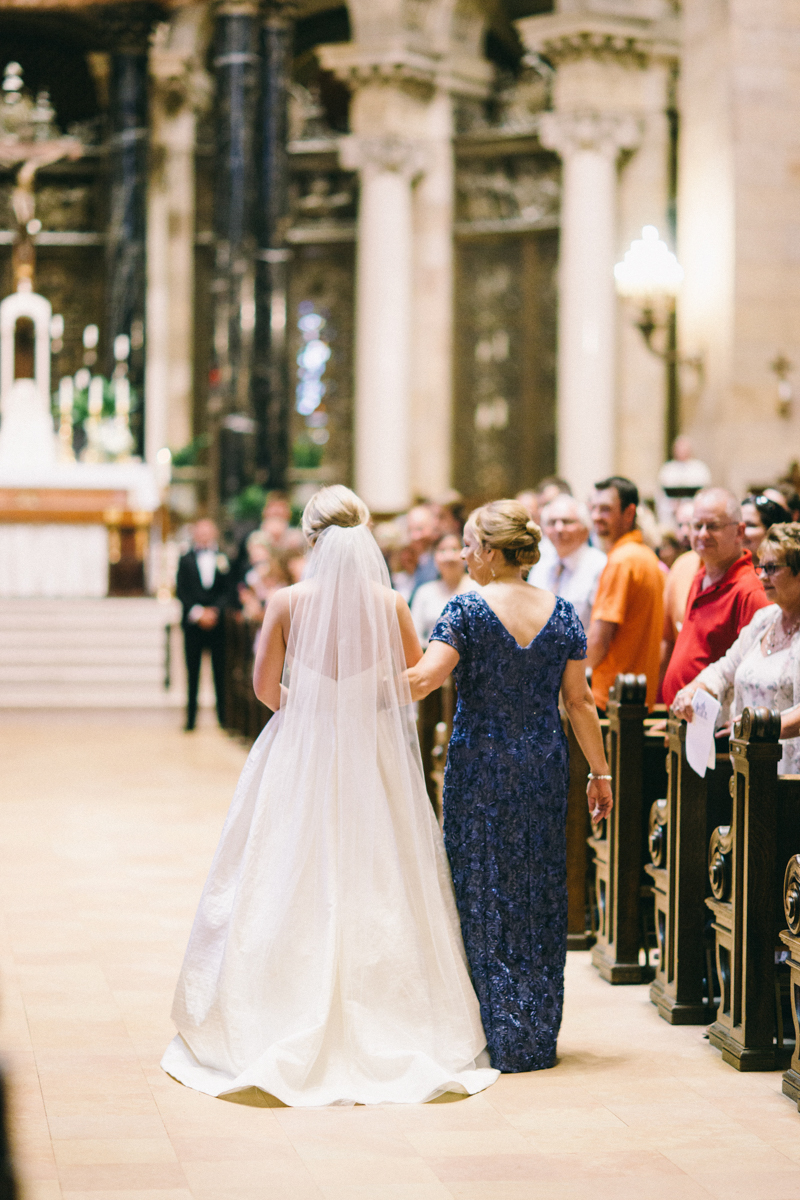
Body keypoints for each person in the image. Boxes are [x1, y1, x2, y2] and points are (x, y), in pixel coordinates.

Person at [162, 486, 499, 1105]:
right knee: (379, 871)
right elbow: (411, 684)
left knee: (287, 866)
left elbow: (265, 689)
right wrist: (355, 704)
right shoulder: (390, 601)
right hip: (369, 753)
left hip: (300, 750)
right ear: (366, 533)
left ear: (311, 537)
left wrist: (316, 709)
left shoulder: (288, 600)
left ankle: (270, 1012)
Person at [406, 500, 613, 1072]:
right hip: (543, 767)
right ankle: (534, 1034)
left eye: (470, 544)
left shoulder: (467, 610)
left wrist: (351, 674)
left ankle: (493, 1028)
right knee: (538, 887)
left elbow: (425, 679)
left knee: (482, 887)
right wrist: (600, 772)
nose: (464, 554)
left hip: (480, 768)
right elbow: (579, 701)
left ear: (493, 552)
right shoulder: (564, 612)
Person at [673, 523, 800, 770]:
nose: (762, 576)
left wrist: (763, 728)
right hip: (749, 768)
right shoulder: (764, 620)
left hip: (792, 774)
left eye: (772, 568)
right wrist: (694, 689)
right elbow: (724, 669)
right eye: (760, 566)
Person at [661, 489, 769, 708]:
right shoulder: (700, 575)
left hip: (717, 727)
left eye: (713, 526)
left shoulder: (751, 591)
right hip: (685, 717)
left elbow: (757, 671)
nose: (702, 534)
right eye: (697, 525)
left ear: (740, 532)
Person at [588, 476, 664, 712]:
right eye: (593, 508)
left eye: (606, 509)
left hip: (610, 697)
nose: (596, 517)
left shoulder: (622, 561)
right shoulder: (647, 556)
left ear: (629, 513)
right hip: (636, 696)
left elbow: (600, 638)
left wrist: (574, 680)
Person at [175, 518, 231, 731]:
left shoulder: (223, 558)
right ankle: (190, 720)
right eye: (201, 531)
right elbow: (181, 590)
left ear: (214, 533)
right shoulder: (185, 559)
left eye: (208, 531)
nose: (205, 535)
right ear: (195, 534)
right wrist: (198, 613)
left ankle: (223, 719)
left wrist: (215, 611)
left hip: (218, 626)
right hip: (193, 625)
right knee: (192, 672)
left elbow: (227, 589)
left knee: (220, 672)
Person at [526, 494, 606, 631]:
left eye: (567, 522)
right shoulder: (540, 566)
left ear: (586, 528)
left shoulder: (600, 566)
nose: (558, 529)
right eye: (552, 523)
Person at [411, 532, 476, 646]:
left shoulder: (478, 588)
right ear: (434, 558)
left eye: (454, 549)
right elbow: (414, 636)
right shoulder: (424, 592)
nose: (448, 557)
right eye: (442, 550)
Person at [656, 434, 712, 524]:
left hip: (693, 512)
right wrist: (672, 506)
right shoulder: (668, 469)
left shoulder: (699, 468)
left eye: (684, 449)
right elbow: (661, 495)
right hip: (672, 513)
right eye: (679, 449)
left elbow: (705, 492)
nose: (681, 451)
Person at [406, 504, 440, 595]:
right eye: (410, 530)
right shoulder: (412, 559)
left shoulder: (441, 557)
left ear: (434, 526)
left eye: (420, 529)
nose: (415, 536)